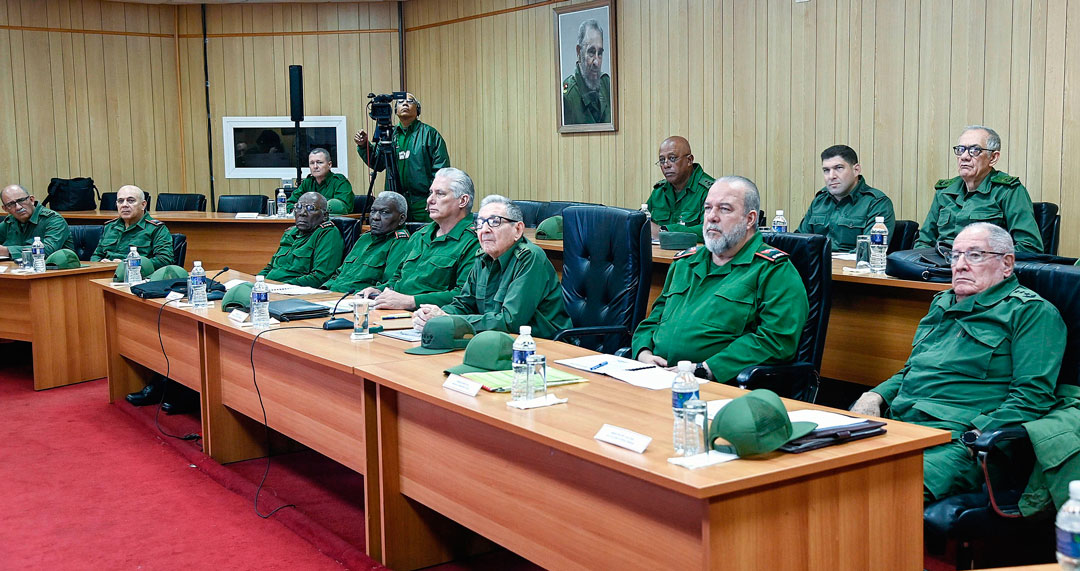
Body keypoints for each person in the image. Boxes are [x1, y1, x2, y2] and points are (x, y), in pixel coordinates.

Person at [851, 222, 1065, 502]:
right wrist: (875, 394)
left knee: (876, 492)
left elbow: (1031, 398)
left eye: (975, 255)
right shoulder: (942, 303)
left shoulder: (1031, 312)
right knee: (815, 470)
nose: (960, 265)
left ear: (1007, 263)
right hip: (901, 425)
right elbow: (912, 370)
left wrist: (976, 437)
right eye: (955, 255)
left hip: (956, 442)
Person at [631, 176, 809, 383]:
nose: (712, 217)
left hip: (716, 385)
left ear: (750, 219)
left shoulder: (773, 271)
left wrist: (706, 369)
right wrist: (643, 353)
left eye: (724, 209)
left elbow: (777, 340)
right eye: (708, 208)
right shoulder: (684, 263)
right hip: (654, 378)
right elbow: (655, 318)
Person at [413, 195, 571, 338]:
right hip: (497, 340)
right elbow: (464, 304)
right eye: (480, 224)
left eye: (495, 222)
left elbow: (509, 321)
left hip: (542, 345)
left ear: (518, 229)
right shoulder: (482, 257)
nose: (485, 230)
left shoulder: (529, 258)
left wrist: (449, 320)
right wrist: (433, 315)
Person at [359, 167, 480, 310]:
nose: (430, 200)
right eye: (431, 193)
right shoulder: (419, 235)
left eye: (440, 194)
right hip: (395, 311)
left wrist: (411, 301)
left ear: (463, 201)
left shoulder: (475, 241)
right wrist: (380, 290)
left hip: (430, 317)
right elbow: (397, 278)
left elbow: (464, 295)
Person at [915, 125, 1043, 253]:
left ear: (993, 158)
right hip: (939, 267)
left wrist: (978, 258)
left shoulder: (1008, 191)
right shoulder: (944, 192)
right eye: (960, 149)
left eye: (974, 150)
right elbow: (924, 242)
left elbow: (1030, 247)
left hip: (982, 268)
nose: (964, 156)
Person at [354, 93, 450, 223]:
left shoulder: (430, 134)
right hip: (395, 203)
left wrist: (434, 198)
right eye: (400, 102)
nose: (405, 103)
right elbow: (379, 163)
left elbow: (441, 171)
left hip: (423, 203)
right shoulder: (389, 135)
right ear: (395, 111)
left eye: (410, 101)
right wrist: (363, 145)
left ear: (418, 110)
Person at [796, 145, 895, 252]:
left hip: (852, 267)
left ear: (856, 170)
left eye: (838, 168)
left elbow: (869, 251)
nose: (831, 176)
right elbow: (799, 242)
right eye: (826, 170)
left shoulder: (876, 202)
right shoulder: (820, 200)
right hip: (815, 266)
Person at [323, 191, 410, 293]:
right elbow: (339, 273)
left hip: (358, 301)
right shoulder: (365, 238)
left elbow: (390, 284)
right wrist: (323, 290)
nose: (375, 217)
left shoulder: (399, 243)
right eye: (373, 211)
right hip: (332, 296)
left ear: (401, 218)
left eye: (384, 212)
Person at [258, 192, 344, 288]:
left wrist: (282, 287)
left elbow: (321, 277)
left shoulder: (327, 234)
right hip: (270, 287)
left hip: (293, 292)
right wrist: (256, 282)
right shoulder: (290, 232)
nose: (302, 213)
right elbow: (270, 267)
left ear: (325, 216)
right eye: (298, 207)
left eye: (310, 208)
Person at [645, 136, 716, 240]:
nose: (666, 165)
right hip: (659, 254)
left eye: (672, 158)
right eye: (661, 160)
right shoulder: (659, 191)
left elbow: (711, 229)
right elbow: (640, 221)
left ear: (689, 160)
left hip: (695, 255)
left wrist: (665, 231)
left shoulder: (710, 191)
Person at [91, 185, 174, 270]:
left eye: (130, 201)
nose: (124, 205)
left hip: (137, 277)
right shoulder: (110, 226)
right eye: (120, 201)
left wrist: (127, 264)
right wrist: (100, 264)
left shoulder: (156, 228)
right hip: (104, 275)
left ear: (143, 205)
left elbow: (164, 260)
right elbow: (96, 255)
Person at [0, 184, 74, 260]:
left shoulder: (54, 220)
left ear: (31, 200)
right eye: (11, 204)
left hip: (57, 269)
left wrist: (6, 251)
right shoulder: (9, 222)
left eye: (21, 200)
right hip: (18, 269)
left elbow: (48, 251)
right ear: (5, 209)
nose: (18, 207)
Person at [562, 19, 611, 125]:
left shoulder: (606, 84)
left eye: (600, 53)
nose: (597, 62)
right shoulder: (567, 98)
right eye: (591, 52)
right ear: (579, 52)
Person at [287, 148, 354, 214]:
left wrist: (314, 209)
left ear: (329, 165)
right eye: (312, 163)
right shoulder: (308, 182)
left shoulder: (339, 182)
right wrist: (298, 210)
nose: (315, 166)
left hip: (332, 223)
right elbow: (289, 204)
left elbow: (343, 208)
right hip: (307, 222)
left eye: (319, 162)